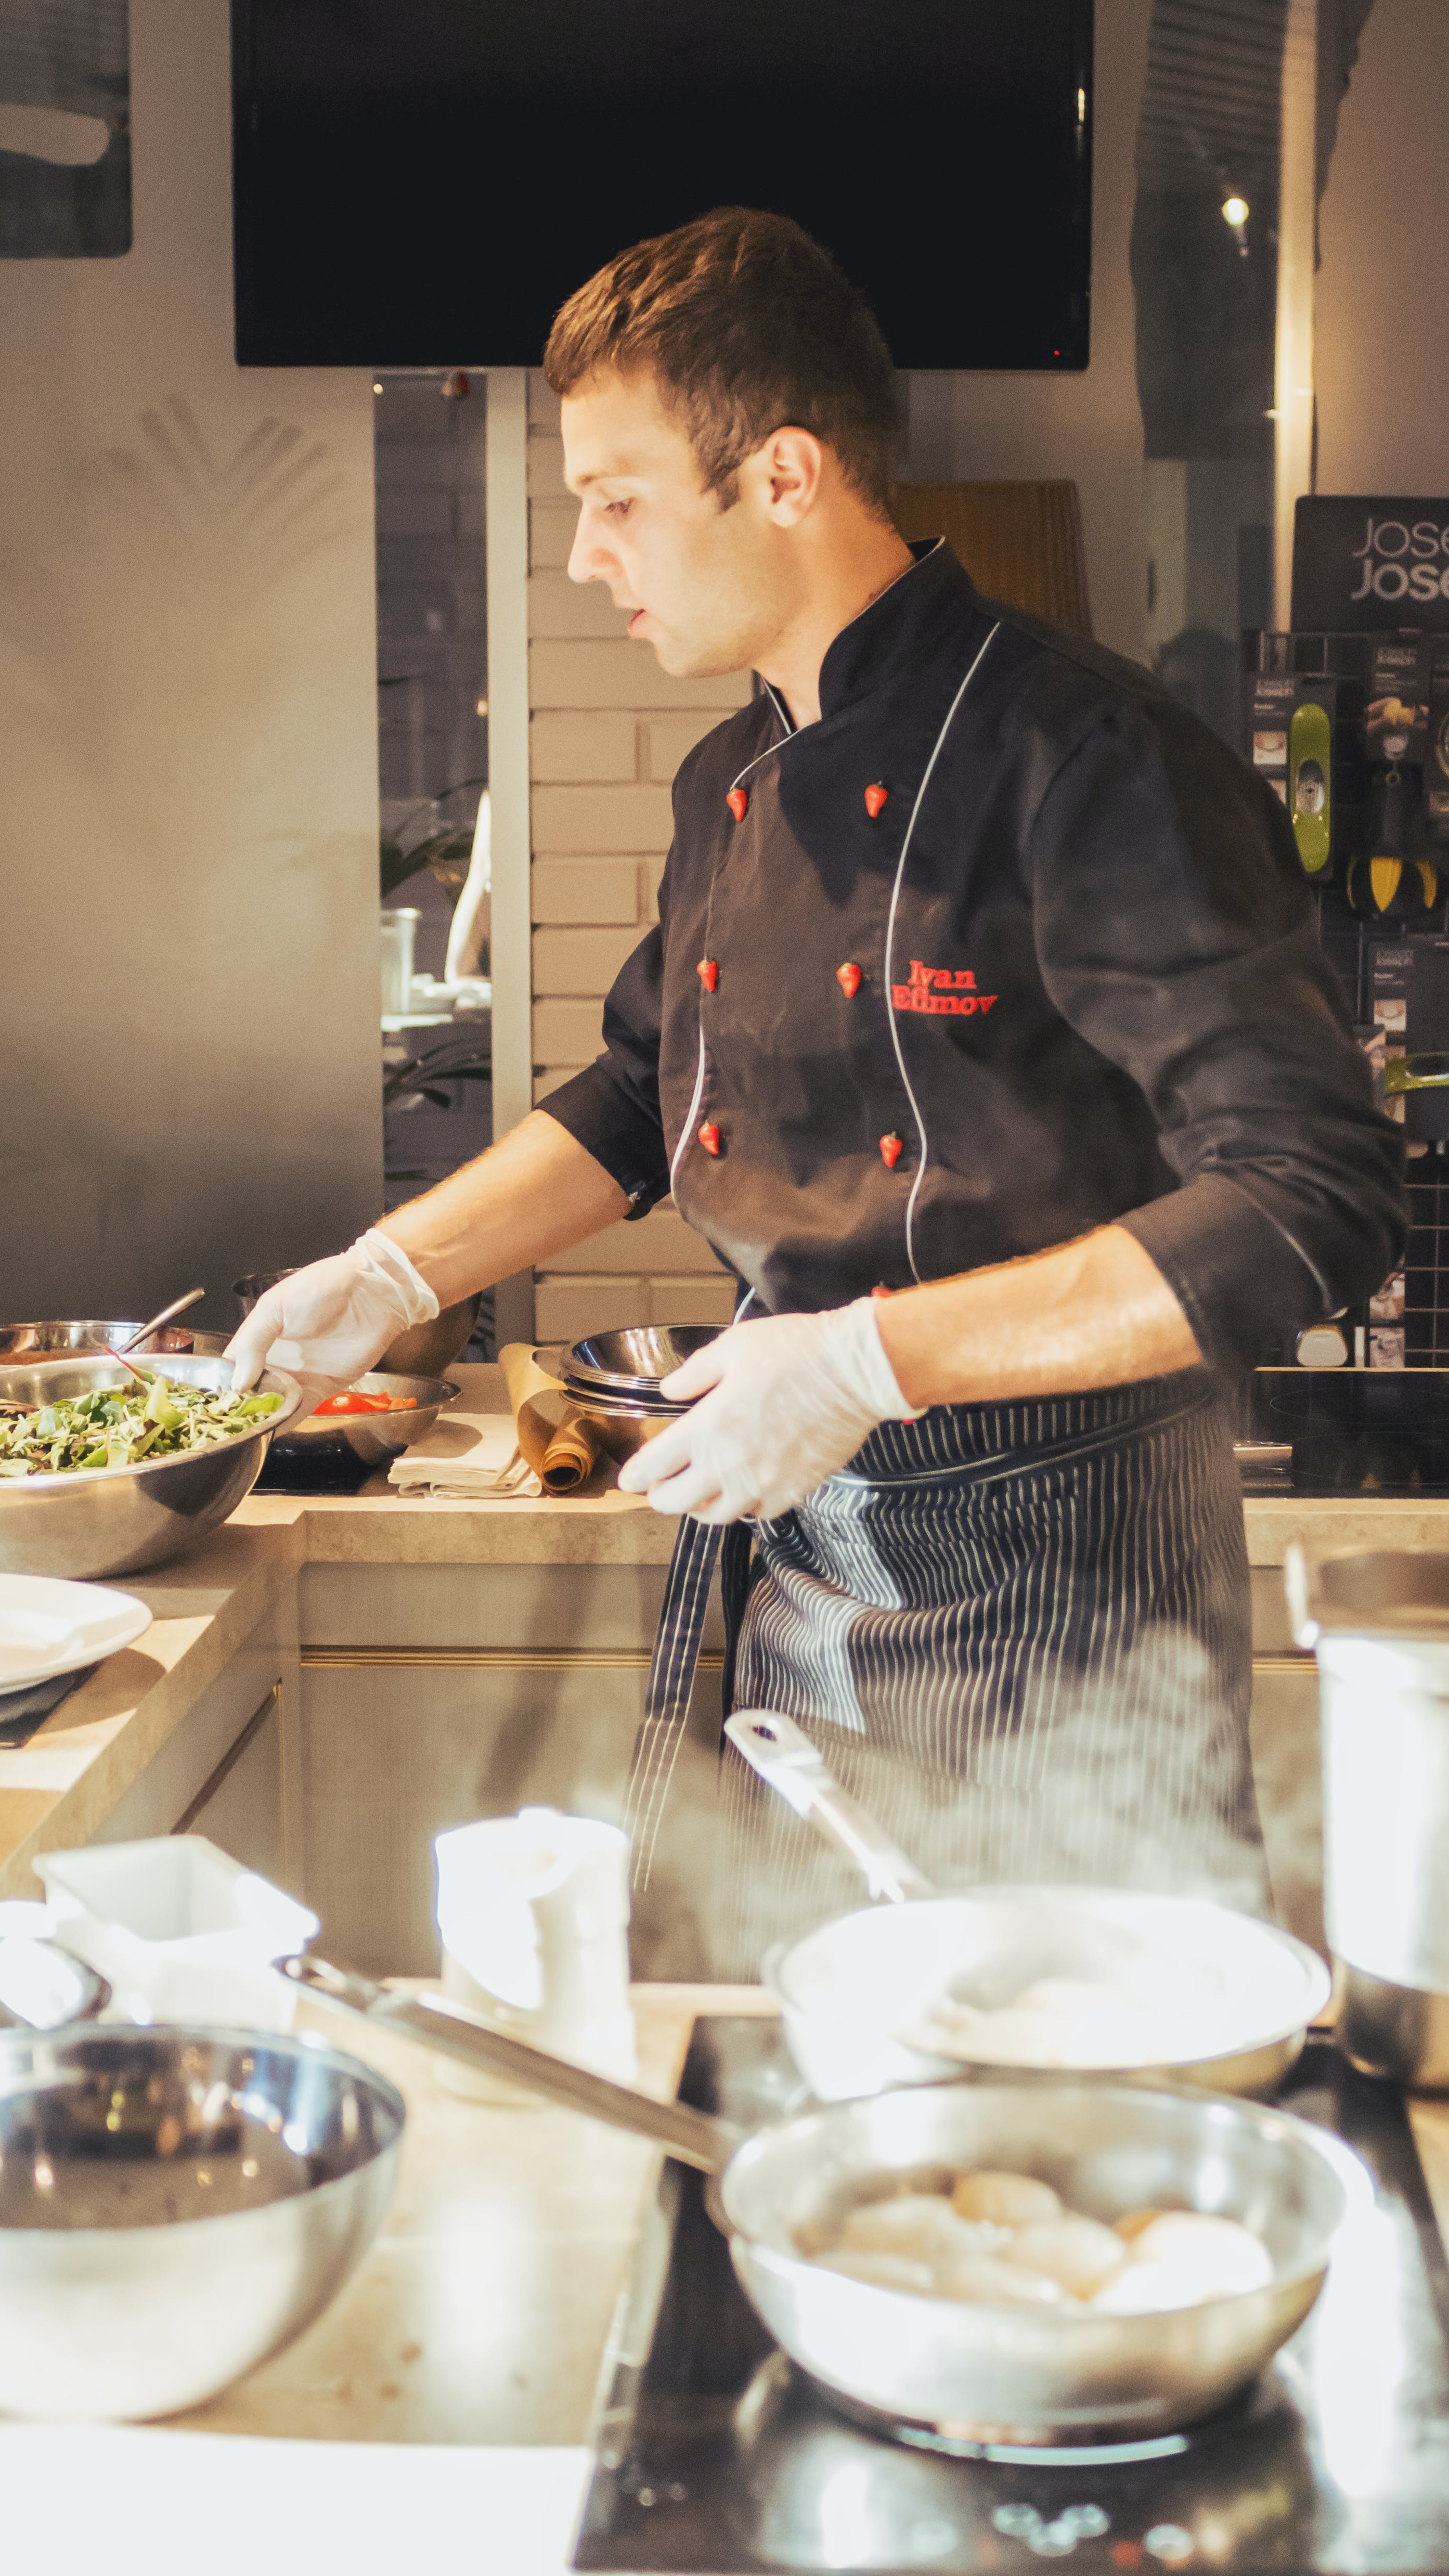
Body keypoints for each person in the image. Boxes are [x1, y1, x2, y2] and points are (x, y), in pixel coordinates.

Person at [230, 209, 1404, 1972]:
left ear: (780, 474)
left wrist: (864, 1360)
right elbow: (639, 1092)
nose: (580, 553)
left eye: (616, 497)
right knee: (822, 2060)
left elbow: (1312, 1199)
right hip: (815, 1567)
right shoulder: (735, 774)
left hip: (1069, 1605)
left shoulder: (1080, 755)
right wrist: (394, 1272)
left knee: (1050, 2121)